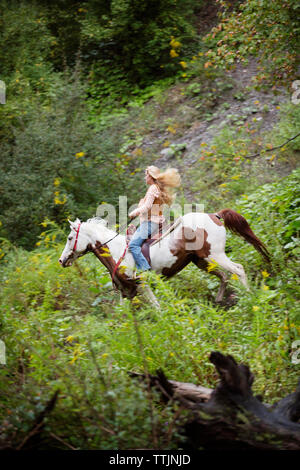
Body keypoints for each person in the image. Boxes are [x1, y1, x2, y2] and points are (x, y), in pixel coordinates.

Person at [128, 165, 181, 273]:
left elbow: (147, 206)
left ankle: (145, 270)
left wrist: (134, 212)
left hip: (150, 223)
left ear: (151, 177)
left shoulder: (153, 188)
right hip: (151, 221)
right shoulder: (155, 188)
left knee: (133, 245)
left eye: (146, 175)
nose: (145, 177)